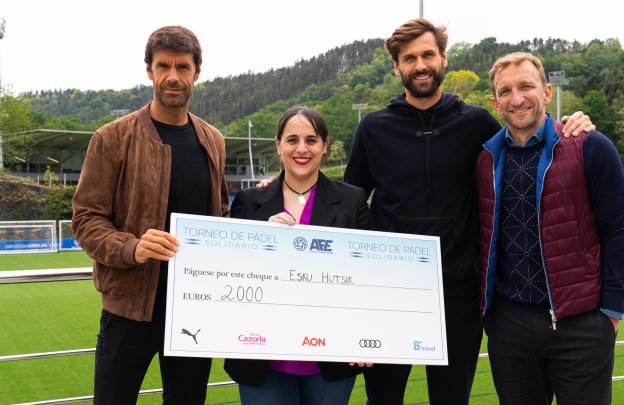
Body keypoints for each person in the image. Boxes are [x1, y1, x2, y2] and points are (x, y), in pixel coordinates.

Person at [343, 18, 595, 404]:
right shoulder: (373, 128)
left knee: (450, 398)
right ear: (397, 67)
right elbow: (349, 204)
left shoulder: (477, 123)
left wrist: (570, 125)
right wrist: (282, 194)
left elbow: (526, 143)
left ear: (443, 58)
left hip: (458, 296)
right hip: (390, 294)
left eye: (428, 54)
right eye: (409, 58)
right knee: (383, 398)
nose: (421, 64)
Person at [71, 26, 229, 404]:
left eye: (183, 67)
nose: (173, 77)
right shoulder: (111, 137)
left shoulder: (214, 140)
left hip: (192, 308)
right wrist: (132, 247)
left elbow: (220, 215)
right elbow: (86, 220)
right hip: (128, 309)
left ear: (197, 73)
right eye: (163, 66)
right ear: (149, 71)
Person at [476, 52, 624, 404]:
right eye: (506, 91)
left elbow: (620, 230)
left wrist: (610, 314)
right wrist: (494, 318)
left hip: (581, 325)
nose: (516, 98)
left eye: (526, 86)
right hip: (510, 326)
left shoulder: (589, 145)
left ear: (547, 92)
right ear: (495, 103)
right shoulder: (485, 158)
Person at [223, 106, 373, 405]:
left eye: (311, 140)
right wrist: (262, 239)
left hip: (331, 357)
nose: (301, 149)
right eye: (292, 140)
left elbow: (368, 278)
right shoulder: (250, 202)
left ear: (325, 145)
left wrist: (366, 337)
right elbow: (230, 275)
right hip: (263, 357)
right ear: (278, 145)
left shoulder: (352, 200)